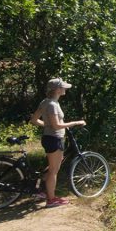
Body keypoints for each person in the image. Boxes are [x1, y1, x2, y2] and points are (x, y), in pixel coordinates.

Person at [30, 78, 85, 208]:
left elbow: (34, 120)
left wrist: (47, 125)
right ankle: (51, 199)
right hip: (54, 139)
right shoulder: (52, 105)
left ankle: (41, 191)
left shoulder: (46, 102)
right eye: (63, 87)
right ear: (57, 90)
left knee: (52, 168)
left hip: (49, 138)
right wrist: (76, 123)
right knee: (54, 171)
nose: (65, 89)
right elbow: (57, 125)